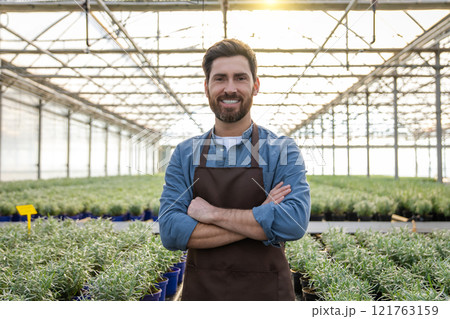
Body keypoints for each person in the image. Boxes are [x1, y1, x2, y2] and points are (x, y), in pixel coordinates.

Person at [159, 39, 310, 301]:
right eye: (220, 79)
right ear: (207, 88)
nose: (230, 88)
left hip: (268, 297)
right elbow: (171, 231)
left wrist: (210, 214)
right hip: (203, 297)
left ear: (256, 85)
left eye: (240, 78)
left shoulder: (282, 150)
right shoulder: (185, 154)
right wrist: (263, 216)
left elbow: (294, 222)